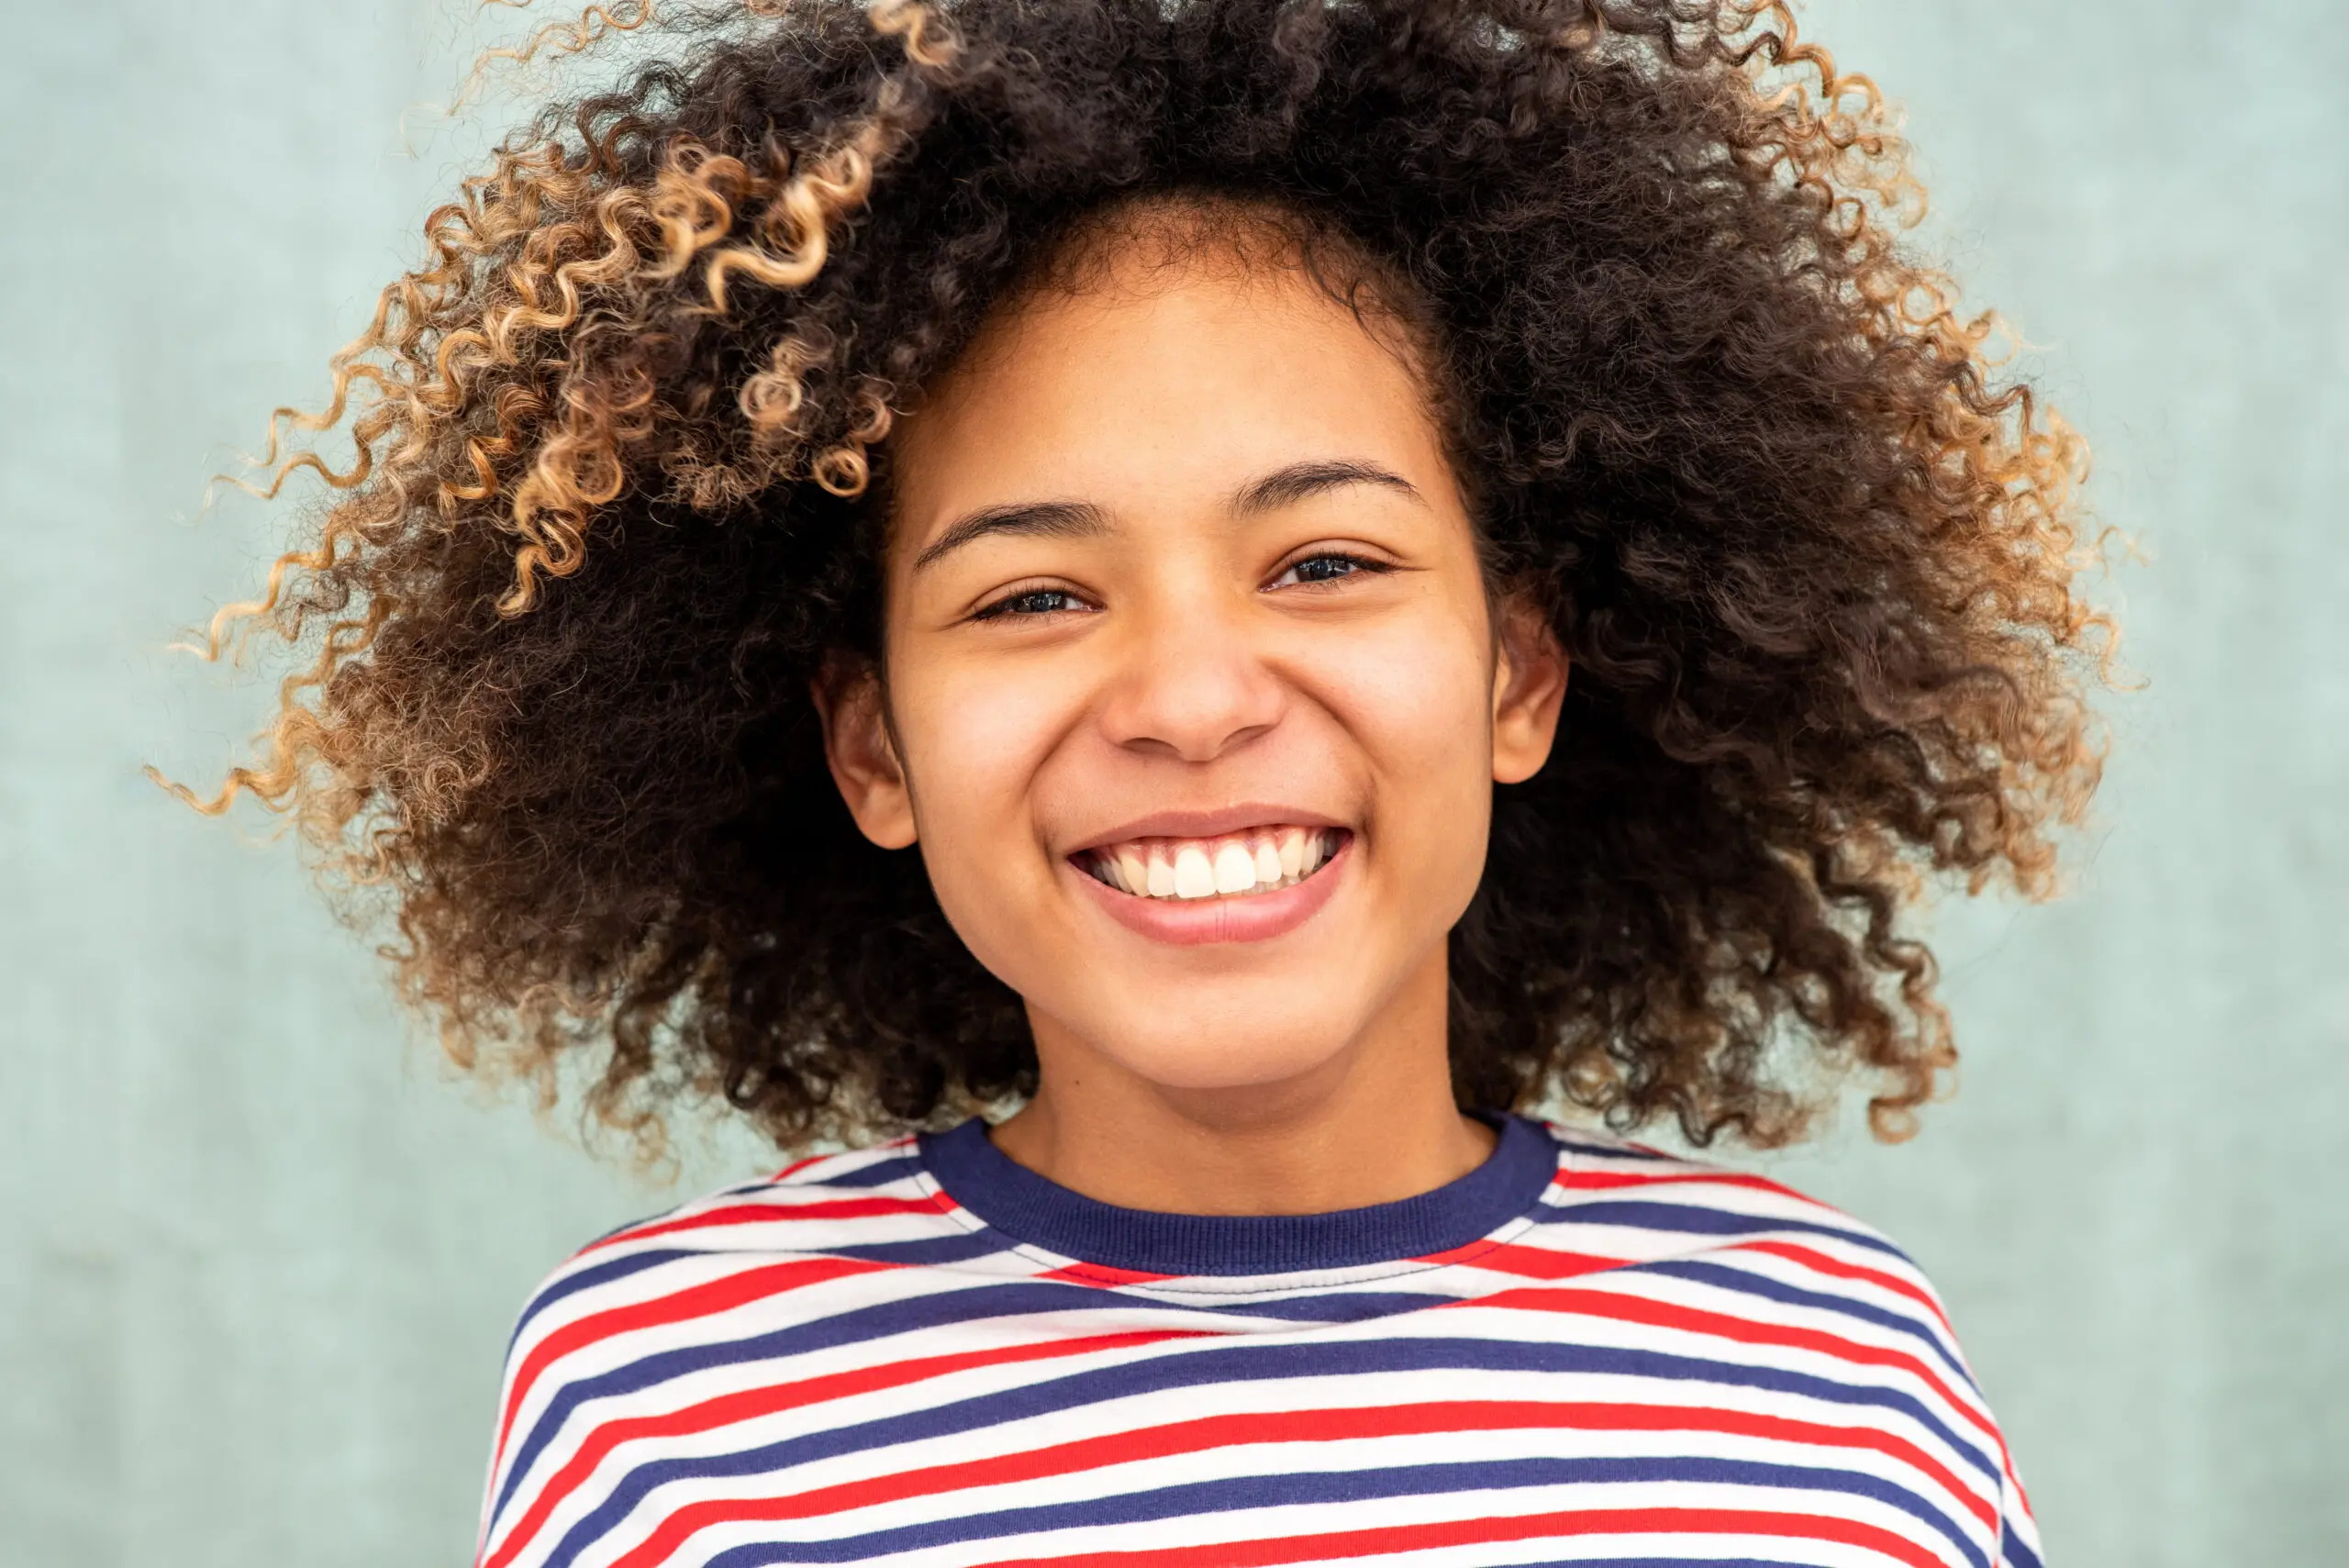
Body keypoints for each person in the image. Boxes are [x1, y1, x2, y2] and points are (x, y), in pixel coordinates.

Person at [172, 0, 2109, 1562]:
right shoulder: (676, 1395)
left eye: (1326, 562)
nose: (1188, 696)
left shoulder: (1828, 1374)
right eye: (1030, 592)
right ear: (875, 747)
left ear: (1517, 670)